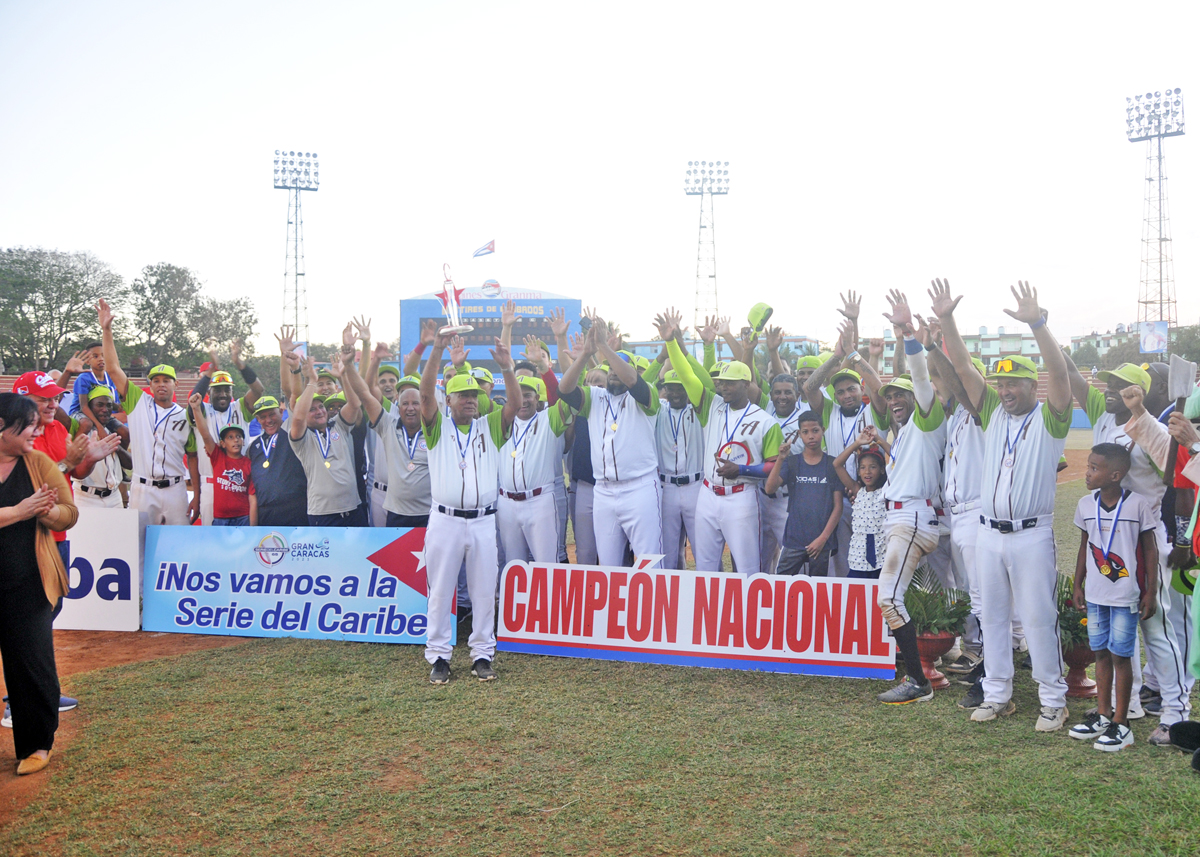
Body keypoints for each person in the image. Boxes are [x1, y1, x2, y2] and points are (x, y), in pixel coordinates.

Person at [934, 278, 1071, 731]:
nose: (1006, 389)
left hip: (1032, 534)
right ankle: (998, 694)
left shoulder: (1051, 419)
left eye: (1015, 382)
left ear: (1034, 386)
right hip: (989, 531)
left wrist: (1037, 325)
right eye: (1003, 382)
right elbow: (966, 369)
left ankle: (1054, 700)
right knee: (991, 618)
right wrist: (947, 319)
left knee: (1037, 618)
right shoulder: (991, 412)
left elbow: (1061, 374)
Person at [1064, 358, 1191, 742]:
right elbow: (1072, 376)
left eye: (1122, 385)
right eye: (1108, 383)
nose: (1110, 390)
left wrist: (1139, 411)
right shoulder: (1106, 421)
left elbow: (1171, 469)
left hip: (1144, 540)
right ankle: (1125, 705)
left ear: (1143, 392)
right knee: (1116, 636)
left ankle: (1174, 711)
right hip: (1107, 545)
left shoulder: (1154, 430)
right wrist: (1042, 326)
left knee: (1155, 630)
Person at [419, 330, 519, 684]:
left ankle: (481, 653)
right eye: (463, 395)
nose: (470, 400)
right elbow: (425, 392)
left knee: (482, 590)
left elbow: (514, 405)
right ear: (449, 399)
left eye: (474, 394)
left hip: (481, 521)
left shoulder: (489, 427)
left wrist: (507, 368)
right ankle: (440, 656)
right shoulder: (437, 427)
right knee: (441, 590)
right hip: (444, 519)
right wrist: (437, 350)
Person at [863, 293, 948, 705]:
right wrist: (868, 362)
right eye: (890, 397)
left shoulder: (927, 420)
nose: (895, 401)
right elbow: (886, 390)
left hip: (912, 520)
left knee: (888, 598)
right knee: (947, 594)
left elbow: (917, 377)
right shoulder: (901, 434)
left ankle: (917, 680)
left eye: (902, 396)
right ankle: (937, 668)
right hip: (905, 519)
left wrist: (910, 336)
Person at [662, 312, 781, 575]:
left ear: (746, 384)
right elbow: (687, 374)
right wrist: (672, 343)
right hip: (707, 494)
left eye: (729, 384)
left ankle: (749, 615)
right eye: (721, 383)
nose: (722, 387)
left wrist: (741, 471)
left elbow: (773, 467)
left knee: (748, 569)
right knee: (705, 568)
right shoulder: (711, 406)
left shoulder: (765, 421)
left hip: (742, 497)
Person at [0, 393, 78, 775]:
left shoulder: (38, 463)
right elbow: (17, 512)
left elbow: (69, 512)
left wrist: (47, 513)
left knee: (33, 666)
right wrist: (17, 512)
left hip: (29, 586)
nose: (37, 430)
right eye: (28, 424)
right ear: (2, 427)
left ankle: (36, 746)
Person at [1067, 443, 1158, 752]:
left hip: (1125, 595)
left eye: (1095, 468)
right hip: (1095, 594)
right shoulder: (1084, 505)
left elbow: (1150, 550)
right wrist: (1077, 585)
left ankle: (1122, 723)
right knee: (1100, 653)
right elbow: (1084, 547)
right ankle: (1103, 715)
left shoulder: (1137, 506)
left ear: (1116, 475)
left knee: (1121, 656)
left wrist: (1151, 591)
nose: (1088, 472)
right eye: (1089, 466)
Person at [558, 317, 665, 567]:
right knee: (608, 566)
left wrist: (605, 347)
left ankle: (647, 606)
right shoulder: (595, 397)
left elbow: (633, 382)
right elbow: (564, 390)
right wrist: (585, 354)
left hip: (639, 488)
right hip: (603, 491)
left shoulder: (645, 397)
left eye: (620, 370)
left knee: (649, 563)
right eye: (611, 371)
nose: (614, 374)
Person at [97, 299, 200, 526]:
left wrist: (198, 496)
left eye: (166, 380)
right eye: (156, 380)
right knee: (139, 548)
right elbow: (113, 368)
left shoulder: (185, 416)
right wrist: (107, 330)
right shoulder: (137, 401)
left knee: (177, 546)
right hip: (142, 488)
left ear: (176, 385)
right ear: (150, 385)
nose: (161, 384)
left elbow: (193, 456)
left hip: (175, 488)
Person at [339, 354, 431, 528]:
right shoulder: (388, 424)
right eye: (405, 403)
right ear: (398, 402)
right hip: (393, 509)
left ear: (424, 404)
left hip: (427, 512)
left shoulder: (435, 429)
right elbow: (365, 393)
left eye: (415, 403)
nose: (410, 408)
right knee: (391, 555)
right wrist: (349, 365)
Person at [288, 351, 368, 527]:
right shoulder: (302, 439)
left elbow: (354, 404)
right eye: (312, 409)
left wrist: (343, 377)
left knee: (357, 555)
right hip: (322, 514)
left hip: (353, 508)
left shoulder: (339, 425)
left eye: (321, 407)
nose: (319, 411)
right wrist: (311, 381)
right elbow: (299, 418)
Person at [497, 376, 571, 563]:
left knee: (546, 566)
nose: (523, 400)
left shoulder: (549, 419)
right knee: (513, 565)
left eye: (528, 395)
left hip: (540, 501)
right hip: (506, 503)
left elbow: (567, 397)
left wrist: (545, 370)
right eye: (518, 395)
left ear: (537, 398)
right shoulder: (498, 421)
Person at [188, 344, 263, 525]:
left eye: (226, 390)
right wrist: (210, 371)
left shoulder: (239, 407)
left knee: (240, 539)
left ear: (232, 392)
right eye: (218, 390)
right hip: (211, 484)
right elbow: (193, 399)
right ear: (209, 392)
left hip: (238, 483)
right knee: (213, 542)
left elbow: (258, 390)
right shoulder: (202, 409)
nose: (223, 394)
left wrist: (240, 364)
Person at [763, 411, 842, 576]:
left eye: (815, 430)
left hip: (821, 541)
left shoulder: (832, 464)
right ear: (799, 434)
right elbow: (769, 489)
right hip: (794, 538)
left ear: (823, 430)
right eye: (805, 432)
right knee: (781, 583)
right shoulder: (792, 462)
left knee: (818, 589)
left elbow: (838, 507)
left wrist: (823, 538)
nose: (811, 436)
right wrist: (780, 458)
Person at [189, 394, 255, 526]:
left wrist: (253, 528)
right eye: (230, 437)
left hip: (243, 517)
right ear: (222, 443)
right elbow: (205, 435)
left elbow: (252, 497)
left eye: (238, 436)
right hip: (220, 518)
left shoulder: (249, 464)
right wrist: (196, 409)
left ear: (243, 441)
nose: (235, 439)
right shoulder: (217, 457)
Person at [832, 433, 889, 579]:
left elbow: (899, 460)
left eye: (873, 467)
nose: (867, 472)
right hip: (858, 557)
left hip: (882, 556)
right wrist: (857, 443)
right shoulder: (857, 491)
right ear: (858, 471)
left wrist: (879, 440)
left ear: (882, 469)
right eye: (862, 467)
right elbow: (837, 464)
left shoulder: (888, 491)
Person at [72, 386, 130, 508]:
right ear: (90, 407)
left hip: (114, 497)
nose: (105, 409)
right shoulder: (80, 427)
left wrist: (115, 447)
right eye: (99, 405)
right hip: (86, 497)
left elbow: (130, 465)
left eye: (109, 405)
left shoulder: (113, 430)